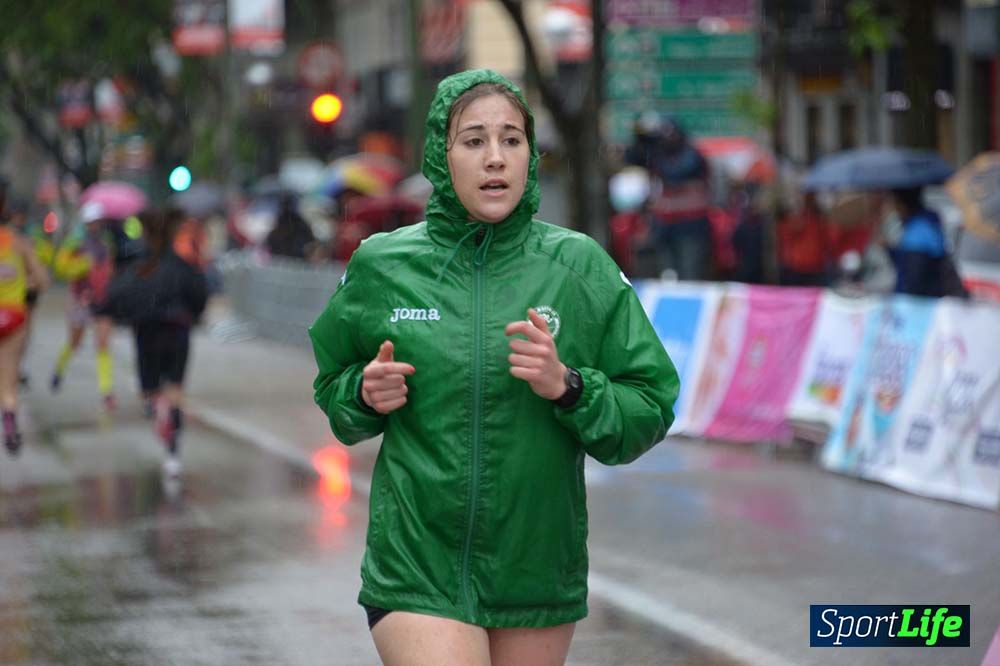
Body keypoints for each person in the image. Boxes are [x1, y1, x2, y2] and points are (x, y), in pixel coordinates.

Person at [309, 70, 679, 665]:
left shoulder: (577, 266)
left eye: (511, 140)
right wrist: (362, 392)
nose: (495, 159)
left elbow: (651, 406)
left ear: (530, 154)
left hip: (534, 568)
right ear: (441, 154)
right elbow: (334, 390)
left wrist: (570, 387)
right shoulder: (383, 265)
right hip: (416, 563)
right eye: (474, 140)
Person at [104, 208, 207, 476]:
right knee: (175, 390)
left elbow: (115, 296)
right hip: (178, 331)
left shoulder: (137, 265)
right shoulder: (183, 265)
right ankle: (173, 451)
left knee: (150, 390)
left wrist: (115, 317)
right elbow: (200, 295)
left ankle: (159, 412)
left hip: (146, 333)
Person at [625, 113, 713, 280]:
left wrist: (656, 149)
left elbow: (676, 173)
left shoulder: (692, 155)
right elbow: (633, 158)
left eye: (670, 133)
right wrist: (642, 138)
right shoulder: (659, 154)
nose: (666, 138)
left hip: (690, 226)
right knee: (667, 275)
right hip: (664, 225)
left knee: (689, 274)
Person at [49, 203, 118, 409]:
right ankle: (58, 371)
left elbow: (109, 266)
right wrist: (82, 265)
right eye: (92, 222)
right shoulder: (74, 242)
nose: (95, 225)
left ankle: (106, 391)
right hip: (80, 299)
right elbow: (60, 269)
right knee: (75, 342)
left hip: (101, 299)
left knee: (103, 343)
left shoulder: (105, 242)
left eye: (98, 221)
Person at [0, 200, 49, 454]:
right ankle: (9, 418)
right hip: (14, 316)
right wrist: (23, 284)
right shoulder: (19, 243)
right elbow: (42, 281)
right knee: (8, 378)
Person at [889, 187, 967, 298]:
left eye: (894, 203)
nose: (894, 209)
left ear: (901, 203)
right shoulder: (926, 223)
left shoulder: (918, 232)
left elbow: (914, 279)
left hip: (920, 306)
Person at [777, 192, 832, 287]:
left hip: (813, 266)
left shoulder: (819, 220)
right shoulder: (799, 217)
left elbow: (828, 240)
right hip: (797, 266)